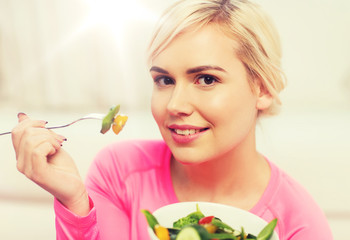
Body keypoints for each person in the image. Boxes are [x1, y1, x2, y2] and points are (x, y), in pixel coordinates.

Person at [11, 0, 333, 239]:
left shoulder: (300, 224)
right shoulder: (119, 174)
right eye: (164, 80)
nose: (175, 105)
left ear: (262, 88)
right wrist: (76, 202)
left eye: (206, 79)